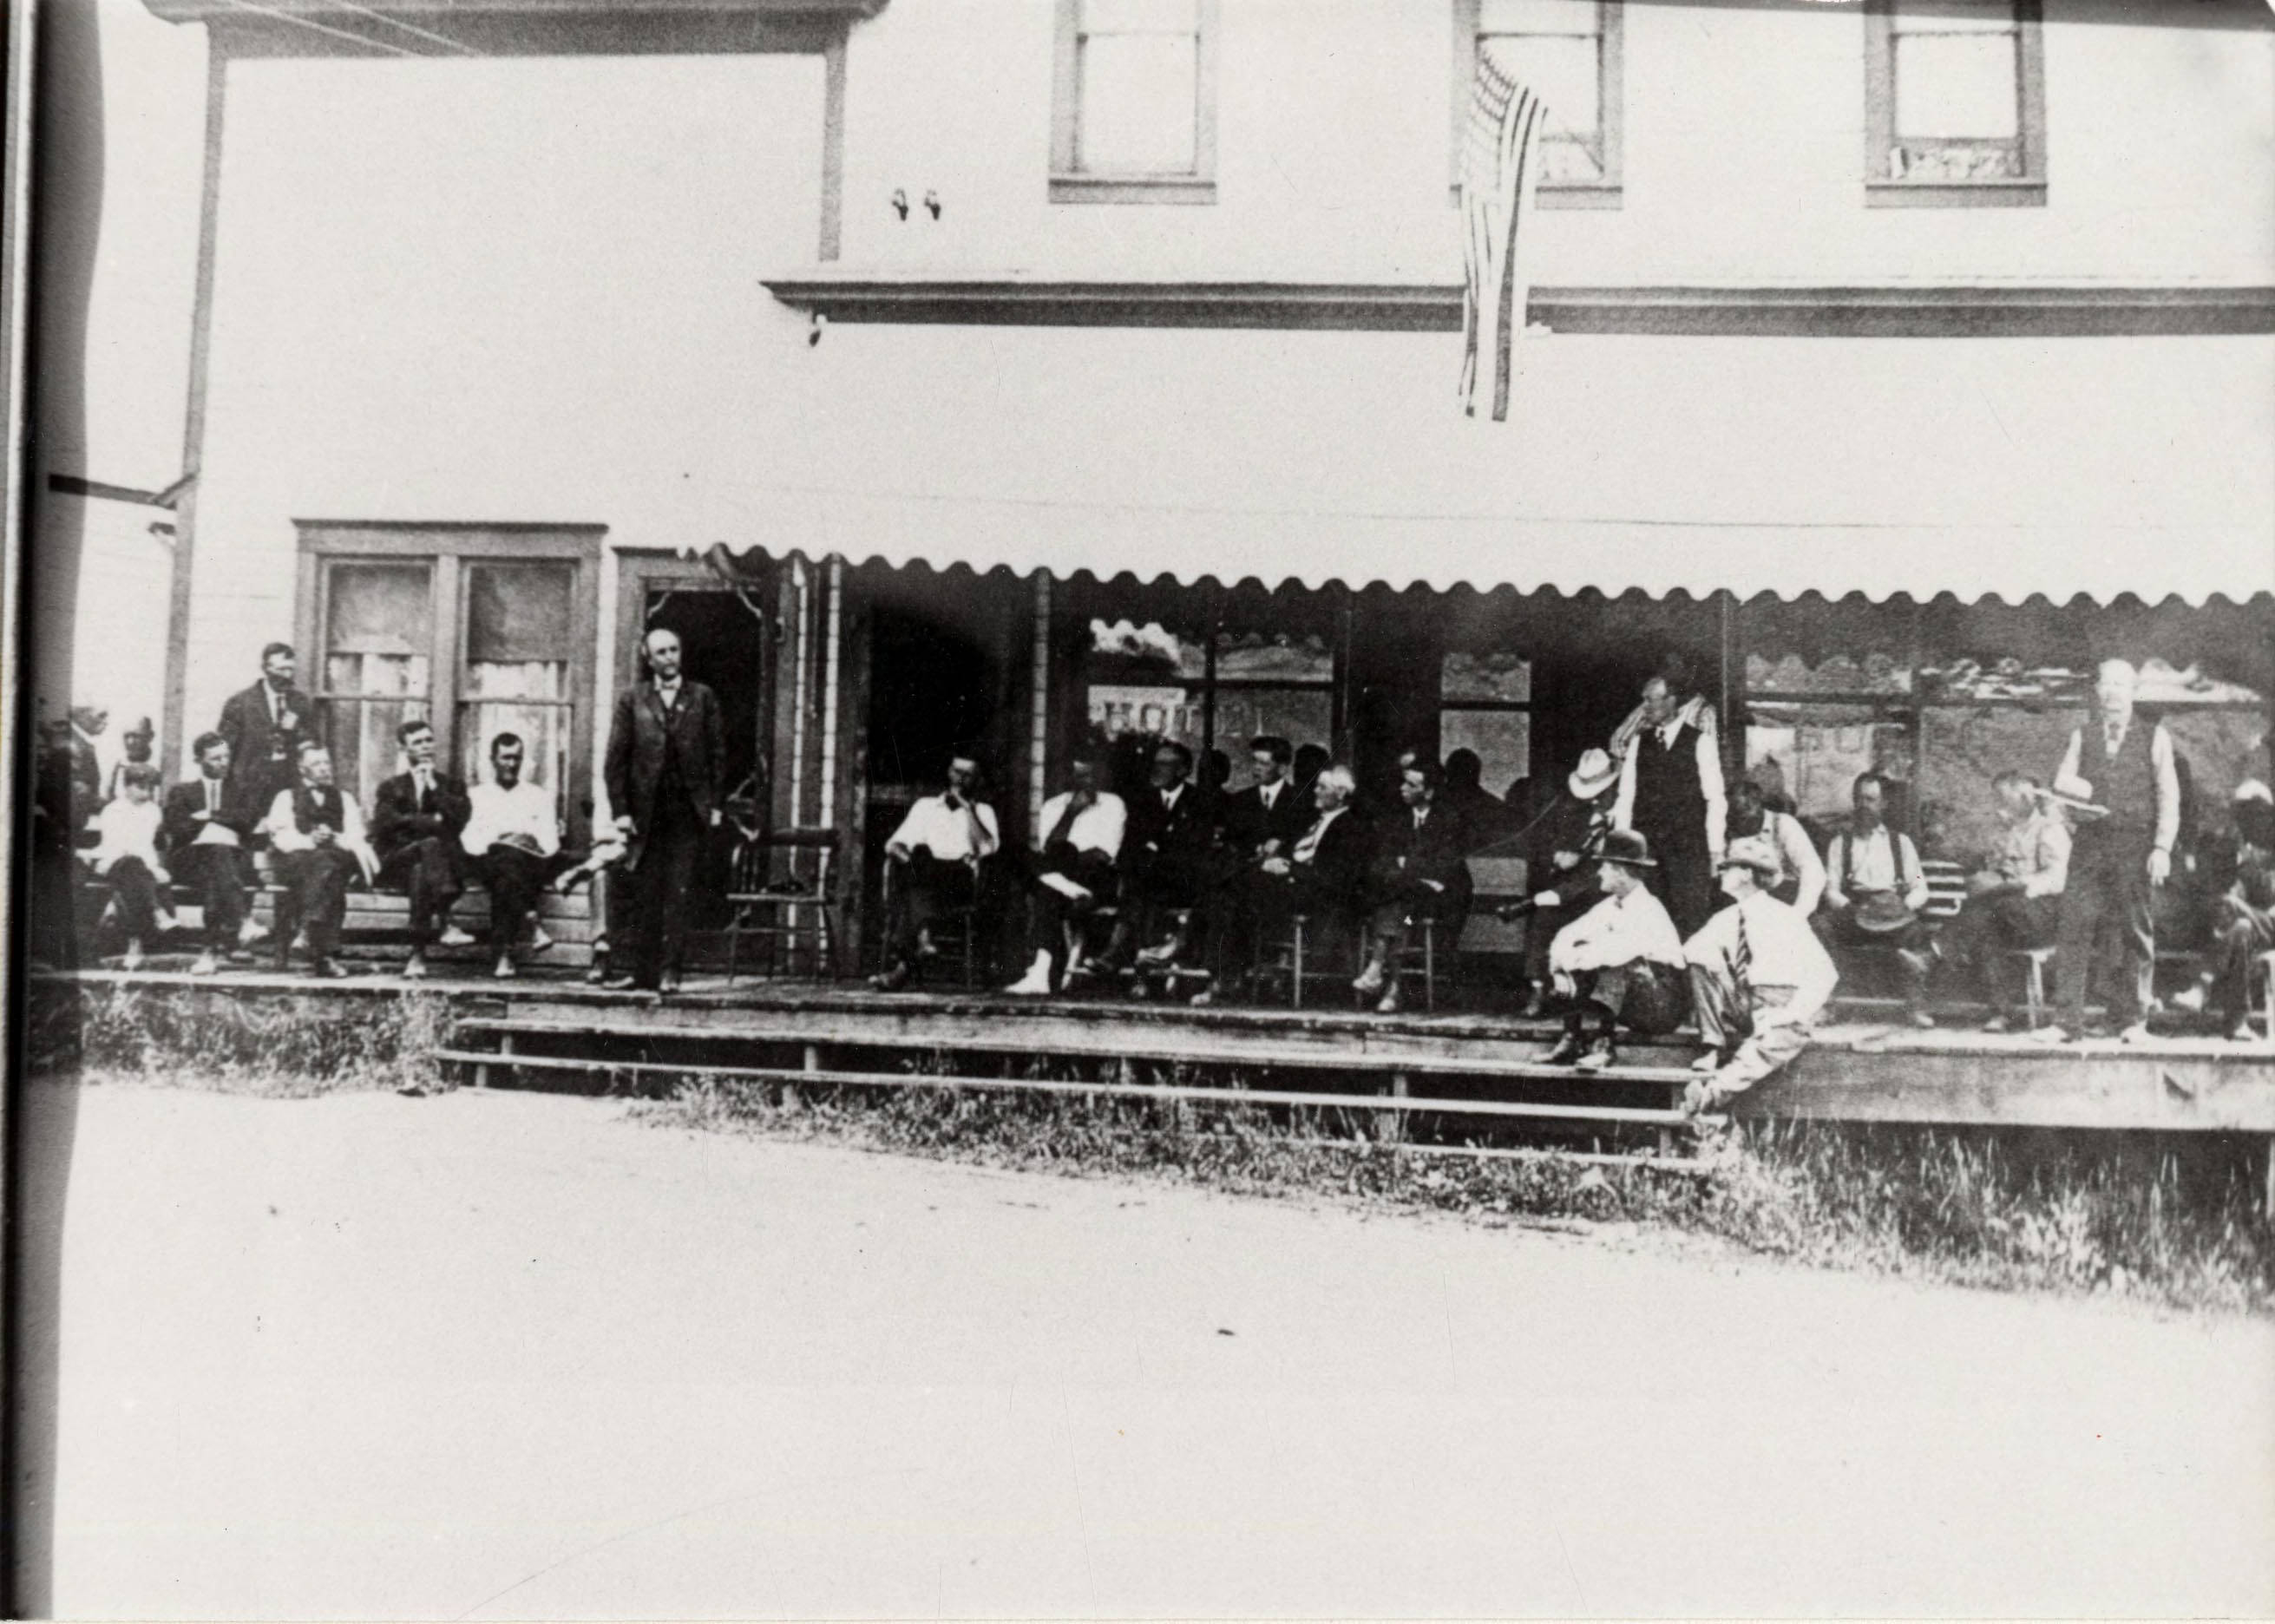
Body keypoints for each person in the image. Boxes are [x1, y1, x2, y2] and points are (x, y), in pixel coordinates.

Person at [2038, 658, 2180, 1045]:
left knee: (2136, 931)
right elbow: (2061, 787)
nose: (2113, 693)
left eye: (2121, 685)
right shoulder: (2082, 736)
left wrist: (2162, 847)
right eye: (2106, 685)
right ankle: (2066, 1022)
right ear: (2097, 692)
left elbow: (2169, 797)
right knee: (2074, 926)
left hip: (2136, 845)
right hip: (2090, 845)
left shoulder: (2155, 737)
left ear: (2133, 693)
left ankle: (2134, 1021)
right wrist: (2071, 806)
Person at [602, 627, 725, 994]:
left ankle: (672, 971)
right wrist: (621, 810)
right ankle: (642, 974)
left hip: (687, 812)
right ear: (648, 657)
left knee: (679, 892)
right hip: (647, 814)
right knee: (646, 893)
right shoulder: (633, 699)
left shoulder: (702, 698)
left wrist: (716, 805)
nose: (670, 657)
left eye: (674, 649)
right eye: (661, 652)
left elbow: (719, 756)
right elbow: (616, 760)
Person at [1682, 835, 1839, 1115]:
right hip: (1744, 1002)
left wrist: (1794, 1012)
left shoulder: (1784, 917)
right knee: (1701, 962)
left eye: (1726, 868)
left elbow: (1825, 973)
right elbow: (1690, 950)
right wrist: (1715, 960)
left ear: (1745, 874)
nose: (1720, 874)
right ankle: (1712, 1045)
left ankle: (1711, 1094)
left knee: (1767, 1047)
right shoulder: (1727, 917)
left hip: (1780, 1003)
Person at [1199, 763, 1371, 1004]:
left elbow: (1337, 876)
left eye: (1322, 787)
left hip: (1317, 898)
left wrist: (1290, 868)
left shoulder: (1351, 827)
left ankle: (1222, 975)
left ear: (1341, 793)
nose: (1315, 792)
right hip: (1289, 888)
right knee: (1228, 893)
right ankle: (1225, 974)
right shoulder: (1314, 821)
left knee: (1232, 893)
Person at [1542, 830, 1690, 1071]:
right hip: (1631, 997)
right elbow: (1564, 936)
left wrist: (1569, 963)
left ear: (1620, 872)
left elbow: (1615, 954)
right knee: (1582, 952)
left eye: (1604, 867)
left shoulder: (1648, 909)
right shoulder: (1609, 905)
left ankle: (1605, 1046)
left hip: (1662, 1006)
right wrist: (1561, 971)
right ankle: (1572, 1039)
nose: (1599, 873)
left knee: (1615, 964)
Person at [1943, 772, 2070, 1031]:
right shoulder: (2011, 831)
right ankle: (2001, 1013)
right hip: (2011, 913)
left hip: (2045, 914)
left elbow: (2058, 878)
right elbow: (2004, 871)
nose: (1998, 804)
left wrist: (2011, 884)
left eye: (2002, 797)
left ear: (2024, 796)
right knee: (1988, 926)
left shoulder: (2050, 829)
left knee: (1989, 910)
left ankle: (1936, 952)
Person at [1499, 746, 1620, 1018]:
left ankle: (1592, 996)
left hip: (1600, 885)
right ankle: (1538, 989)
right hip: (1565, 882)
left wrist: (1594, 850)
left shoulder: (1617, 809)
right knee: (1544, 917)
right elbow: (1543, 842)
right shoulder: (1565, 807)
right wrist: (1557, 855)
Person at [871, 752, 1000, 992]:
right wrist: (907, 858)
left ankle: (918, 947)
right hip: (923, 874)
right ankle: (919, 948)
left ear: (977, 780)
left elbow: (988, 848)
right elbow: (894, 844)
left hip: (958, 881)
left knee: (913, 887)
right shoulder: (925, 807)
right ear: (948, 772)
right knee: (918, 856)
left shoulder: (984, 811)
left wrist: (968, 810)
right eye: (956, 771)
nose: (960, 779)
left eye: (967, 774)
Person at [1613, 672, 1727, 940]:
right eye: (1644, 701)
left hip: (1689, 851)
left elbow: (1715, 798)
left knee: (1690, 923)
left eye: (1651, 701)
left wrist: (1714, 850)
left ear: (1672, 701)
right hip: (1648, 852)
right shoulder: (1639, 743)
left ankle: (1688, 981)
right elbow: (1625, 796)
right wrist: (1622, 848)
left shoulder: (1701, 742)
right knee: (1646, 922)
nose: (1645, 708)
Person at [1818, 772, 1936, 1028]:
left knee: (1915, 933)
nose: (1863, 806)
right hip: (1855, 909)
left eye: (1870, 799)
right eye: (1859, 799)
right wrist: (1851, 908)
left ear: (1883, 804)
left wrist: (1903, 907)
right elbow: (1831, 890)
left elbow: (1919, 887)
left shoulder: (1900, 843)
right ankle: (1830, 1004)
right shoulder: (1840, 843)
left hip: (1892, 910)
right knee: (1822, 927)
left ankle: (1916, 1007)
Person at [1354, 760, 1473, 1013]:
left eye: (1411, 784)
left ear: (1429, 792)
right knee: (1402, 914)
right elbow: (1382, 862)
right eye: (1403, 781)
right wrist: (1412, 872)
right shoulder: (1396, 820)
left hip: (1439, 902)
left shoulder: (1449, 820)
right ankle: (1393, 988)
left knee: (1398, 901)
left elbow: (1443, 866)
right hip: (1409, 909)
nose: (1402, 788)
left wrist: (1405, 867)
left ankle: (1376, 968)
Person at [1005, 751, 1127, 995]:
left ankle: (1040, 972)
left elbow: (1103, 853)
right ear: (1069, 777)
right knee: (1020, 854)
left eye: (1091, 776)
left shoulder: (1113, 803)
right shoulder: (1053, 805)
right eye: (1080, 776)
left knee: (1057, 863)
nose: (1086, 782)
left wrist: (1064, 859)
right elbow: (1047, 847)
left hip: (1093, 877)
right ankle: (1041, 972)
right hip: (1066, 882)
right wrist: (1071, 813)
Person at [260, 740, 377, 979]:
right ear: (302, 769)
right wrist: (310, 839)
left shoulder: (344, 798)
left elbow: (357, 835)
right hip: (298, 862)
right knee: (329, 872)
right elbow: (281, 836)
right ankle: (325, 956)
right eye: (316, 764)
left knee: (329, 865)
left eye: (327, 762)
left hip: (332, 860)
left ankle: (307, 930)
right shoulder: (286, 797)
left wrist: (334, 836)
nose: (325, 768)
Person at [370, 718, 475, 979]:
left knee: (422, 871)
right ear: (404, 749)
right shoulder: (391, 787)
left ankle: (417, 956)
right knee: (429, 846)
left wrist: (434, 788)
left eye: (429, 740)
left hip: (432, 868)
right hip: (398, 863)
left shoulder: (451, 785)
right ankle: (446, 920)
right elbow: (385, 825)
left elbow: (460, 819)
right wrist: (431, 822)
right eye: (418, 742)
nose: (426, 747)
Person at [1107, 740, 1220, 970]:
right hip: (1148, 880)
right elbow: (1129, 847)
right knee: (1138, 885)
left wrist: (1155, 846)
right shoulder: (1142, 802)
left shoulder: (1200, 801)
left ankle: (1121, 954)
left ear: (1183, 770)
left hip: (1185, 883)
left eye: (1166, 764)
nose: (1157, 769)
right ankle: (1133, 958)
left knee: (1141, 886)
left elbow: (1195, 847)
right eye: (1156, 763)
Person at [159, 730, 262, 974]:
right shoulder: (182, 792)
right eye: (216, 758)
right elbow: (176, 826)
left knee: (217, 868)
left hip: (232, 862)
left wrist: (209, 816)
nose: (224, 762)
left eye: (226, 757)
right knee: (217, 857)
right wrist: (220, 825)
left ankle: (208, 954)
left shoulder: (241, 791)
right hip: (190, 861)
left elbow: (247, 820)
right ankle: (242, 921)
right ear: (199, 761)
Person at [461, 732, 561, 980]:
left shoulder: (539, 796)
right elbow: (469, 840)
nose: (511, 764)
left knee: (509, 868)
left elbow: (550, 842)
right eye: (505, 758)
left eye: (516, 758)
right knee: (506, 864)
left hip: (530, 863)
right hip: (488, 862)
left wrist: (526, 841)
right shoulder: (477, 795)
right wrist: (502, 841)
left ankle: (504, 955)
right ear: (493, 760)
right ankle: (530, 920)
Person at [218, 642, 318, 828]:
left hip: (288, 784)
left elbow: (311, 740)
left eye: (291, 669)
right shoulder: (240, 703)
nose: (287, 675)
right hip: (250, 787)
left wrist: (297, 732)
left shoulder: (300, 702)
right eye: (281, 669)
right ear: (266, 668)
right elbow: (224, 748)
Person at [89, 764, 176, 971]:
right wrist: (150, 867)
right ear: (127, 786)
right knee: (132, 865)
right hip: (114, 861)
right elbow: (116, 845)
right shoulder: (113, 810)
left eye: (150, 787)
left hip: (139, 871)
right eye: (140, 786)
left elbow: (149, 844)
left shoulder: (153, 811)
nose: (146, 792)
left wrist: (154, 867)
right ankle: (157, 912)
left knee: (134, 878)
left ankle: (134, 944)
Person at [2210, 780, 2274, 1043]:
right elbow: (2239, 893)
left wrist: (2248, 868)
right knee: (2240, 929)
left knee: (2229, 905)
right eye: (2245, 812)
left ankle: (2202, 983)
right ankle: (2237, 1024)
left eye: (2257, 812)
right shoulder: (2244, 849)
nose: (2251, 819)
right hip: (2260, 925)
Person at [1727, 777, 1825, 916]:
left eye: (1747, 811)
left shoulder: (1784, 824)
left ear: (1758, 804)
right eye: (1737, 814)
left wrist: (1799, 913)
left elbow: (1813, 870)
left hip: (1788, 902)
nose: (1743, 822)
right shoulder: (1729, 829)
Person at [102, 716, 157, 803]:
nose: (130, 742)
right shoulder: (117, 768)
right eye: (126, 736)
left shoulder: (160, 766)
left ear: (150, 737)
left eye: (136, 736)